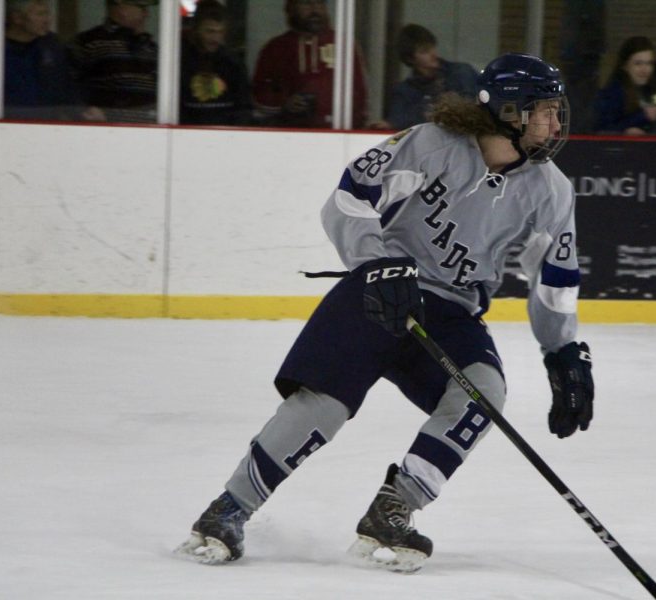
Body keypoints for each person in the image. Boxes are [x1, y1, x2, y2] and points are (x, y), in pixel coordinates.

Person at [175, 53, 594, 573]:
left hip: (451, 311)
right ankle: (230, 509)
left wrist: (563, 350)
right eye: (545, 111)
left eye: (558, 111)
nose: (556, 124)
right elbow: (349, 199)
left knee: (482, 394)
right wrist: (378, 263)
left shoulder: (550, 190)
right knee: (323, 405)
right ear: (511, 110)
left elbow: (554, 279)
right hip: (380, 289)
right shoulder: (432, 144)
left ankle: (394, 509)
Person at [0, 0, 103, 121]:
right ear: (17, 18)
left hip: (43, 126)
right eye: (40, 14)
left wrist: (83, 111)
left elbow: (66, 88)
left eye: (47, 13)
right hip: (0, 124)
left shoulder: (53, 47)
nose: (47, 19)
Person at [252, 0, 368, 128]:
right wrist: (284, 103)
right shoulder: (275, 48)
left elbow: (359, 94)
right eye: (306, 4)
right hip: (288, 134)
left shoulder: (343, 44)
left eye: (319, 3)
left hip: (337, 133)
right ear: (291, 8)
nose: (315, 10)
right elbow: (259, 94)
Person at [68, 0, 158, 124]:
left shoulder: (152, 49)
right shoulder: (89, 42)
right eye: (142, 8)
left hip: (150, 132)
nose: (147, 15)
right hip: (102, 131)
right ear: (121, 7)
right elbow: (67, 90)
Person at [374, 24, 478, 130]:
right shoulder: (404, 91)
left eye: (433, 47)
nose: (433, 54)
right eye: (424, 51)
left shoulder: (462, 73)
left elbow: (473, 108)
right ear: (410, 59)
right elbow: (397, 122)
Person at [180, 0, 253, 126]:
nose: (215, 39)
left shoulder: (233, 64)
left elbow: (243, 107)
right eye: (210, 31)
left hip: (226, 133)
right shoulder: (181, 62)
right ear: (196, 29)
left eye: (220, 32)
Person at [593, 36, 656, 135]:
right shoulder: (613, 94)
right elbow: (602, 131)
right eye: (638, 64)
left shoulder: (652, 90)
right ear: (625, 66)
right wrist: (642, 117)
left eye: (649, 63)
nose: (645, 70)